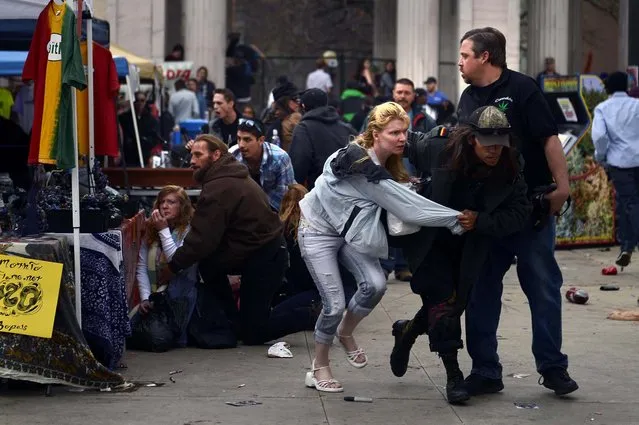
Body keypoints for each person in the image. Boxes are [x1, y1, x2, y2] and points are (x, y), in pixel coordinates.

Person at [299, 102, 463, 392]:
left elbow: (397, 193)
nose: (402, 138)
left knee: (375, 285)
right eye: (394, 133)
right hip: (317, 231)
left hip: (350, 233)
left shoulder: (383, 164)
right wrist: (455, 218)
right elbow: (409, 208)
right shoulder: (358, 163)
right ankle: (319, 366)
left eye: (404, 132)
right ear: (375, 134)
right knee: (334, 304)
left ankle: (345, 332)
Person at [457, 27, 577, 396]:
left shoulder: (523, 88)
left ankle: (552, 367)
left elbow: (549, 137)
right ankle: (485, 370)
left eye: (465, 55)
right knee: (481, 291)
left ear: (485, 57)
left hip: (531, 209)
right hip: (487, 215)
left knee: (543, 287)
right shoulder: (467, 98)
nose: (460, 62)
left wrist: (563, 185)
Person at [389, 106, 532, 404]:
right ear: (471, 139)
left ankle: (408, 331)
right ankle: (453, 375)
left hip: (470, 246)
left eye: (500, 144)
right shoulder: (439, 146)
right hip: (430, 241)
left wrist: (481, 221)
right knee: (443, 301)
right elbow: (400, 142)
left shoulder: (511, 165)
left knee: (451, 306)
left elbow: (520, 213)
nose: (494, 151)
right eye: (487, 144)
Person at [166, 135, 288, 345]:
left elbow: (202, 239)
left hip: (266, 256)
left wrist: (173, 265)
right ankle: (231, 322)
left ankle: (309, 312)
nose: (192, 161)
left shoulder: (219, 187)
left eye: (198, 155)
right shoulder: (224, 177)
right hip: (254, 252)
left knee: (254, 333)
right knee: (210, 265)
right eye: (191, 155)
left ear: (215, 155)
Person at [266, 184, 357, 340]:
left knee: (274, 316)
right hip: (343, 290)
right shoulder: (323, 226)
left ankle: (316, 313)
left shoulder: (288, 235)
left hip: (319, 291)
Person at [132, 186, 198, 350]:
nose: (164, 206)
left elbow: (176, 261)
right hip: (156, 293)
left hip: (180, 295)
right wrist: (146, 298)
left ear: (182, 206)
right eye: (162, 202)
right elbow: (142, 267)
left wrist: (163, 230)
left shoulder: (190, 230)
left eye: (171, 202)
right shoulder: (151, 230)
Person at [592, 71, 639, 269]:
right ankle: (627, 246)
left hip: (620, 163)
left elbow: (600, 137)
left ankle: (628, 246)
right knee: (631, 205)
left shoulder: (603, 108)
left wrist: (601, 157)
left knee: (627, 204)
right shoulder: (637, 105)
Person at [289, 88, 357, 189]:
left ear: (303, 106)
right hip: (350, 191)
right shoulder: (347, 128)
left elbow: (298, 166)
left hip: (319, 193)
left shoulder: (304, 129)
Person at [228, 118, 295, 211]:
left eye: (247, 140)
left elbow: (285, 197)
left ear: (261, 140)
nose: (241, 145)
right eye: (239, 139)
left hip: (275, 210)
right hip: (243, 211)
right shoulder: (232, 156)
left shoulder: (280, 158)